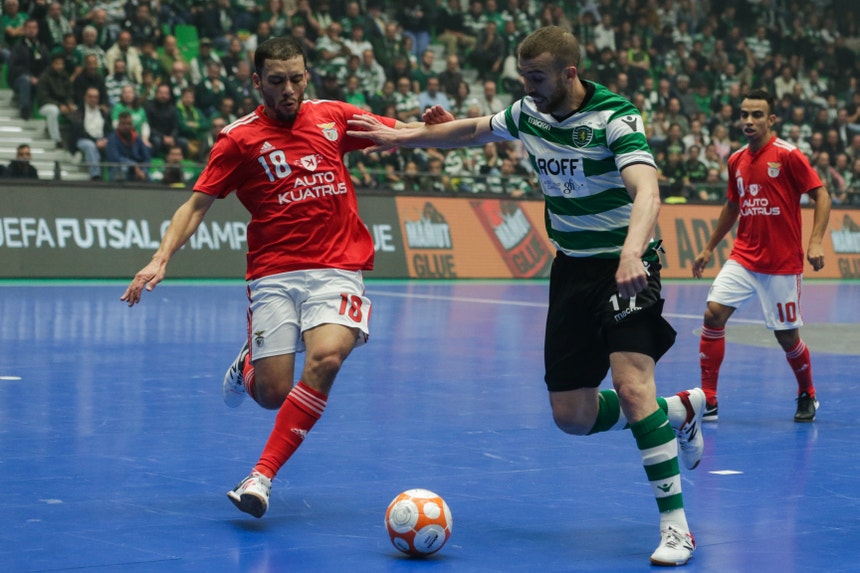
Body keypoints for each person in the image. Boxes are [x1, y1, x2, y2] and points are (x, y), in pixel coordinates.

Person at [347, 26, 703, 567]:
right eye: (523, 77)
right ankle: (678, 410)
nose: (528, 87)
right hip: (571, 272)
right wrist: (402, 137)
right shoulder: (528, 113)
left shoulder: (615, 116)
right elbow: (472, 132)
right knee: (572, 415)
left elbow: (646, 189)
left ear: (569, 73)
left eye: (536, 77)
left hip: (629, 268)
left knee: (632, 388)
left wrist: (632, 251)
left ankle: (676, 527)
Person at [120, 37, 436, 522]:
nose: (289, 90)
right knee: (271, 393)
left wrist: (428, 129)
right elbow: (196, 203)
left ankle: (260, 476)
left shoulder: (334, 116)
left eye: (297, 78)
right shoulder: (238, 138)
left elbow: (399, 132)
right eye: (276, 81)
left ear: (306, 75)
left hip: (336, 267)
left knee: (327, 357)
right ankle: (248, 361)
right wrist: (161, 258)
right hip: (274, 271)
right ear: (256, 82)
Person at [692, 89, 832, 423]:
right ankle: (709, 400)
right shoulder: (736, 160)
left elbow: (822, 196)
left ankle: (807, 394)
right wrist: (709, 247)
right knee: (713, 315)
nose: (749, 121)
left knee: (786, 338)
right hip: (743, 258)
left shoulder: (788, 155)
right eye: (744, 114)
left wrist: (814, 242)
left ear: (771, 119)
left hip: (782, 264)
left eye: (757, 115)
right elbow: (732, 205)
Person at [106, 110, 151, 182]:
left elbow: (146, 157)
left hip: (137, 170)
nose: (126, 126)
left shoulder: (137, 137)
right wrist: (133, 165)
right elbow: (115, 158)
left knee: (148, 177)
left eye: (129, 124)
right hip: (119, 169)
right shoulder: (112, 138)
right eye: (123, 124)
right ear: (118, 125)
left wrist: (143, 171)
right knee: (123, 170)